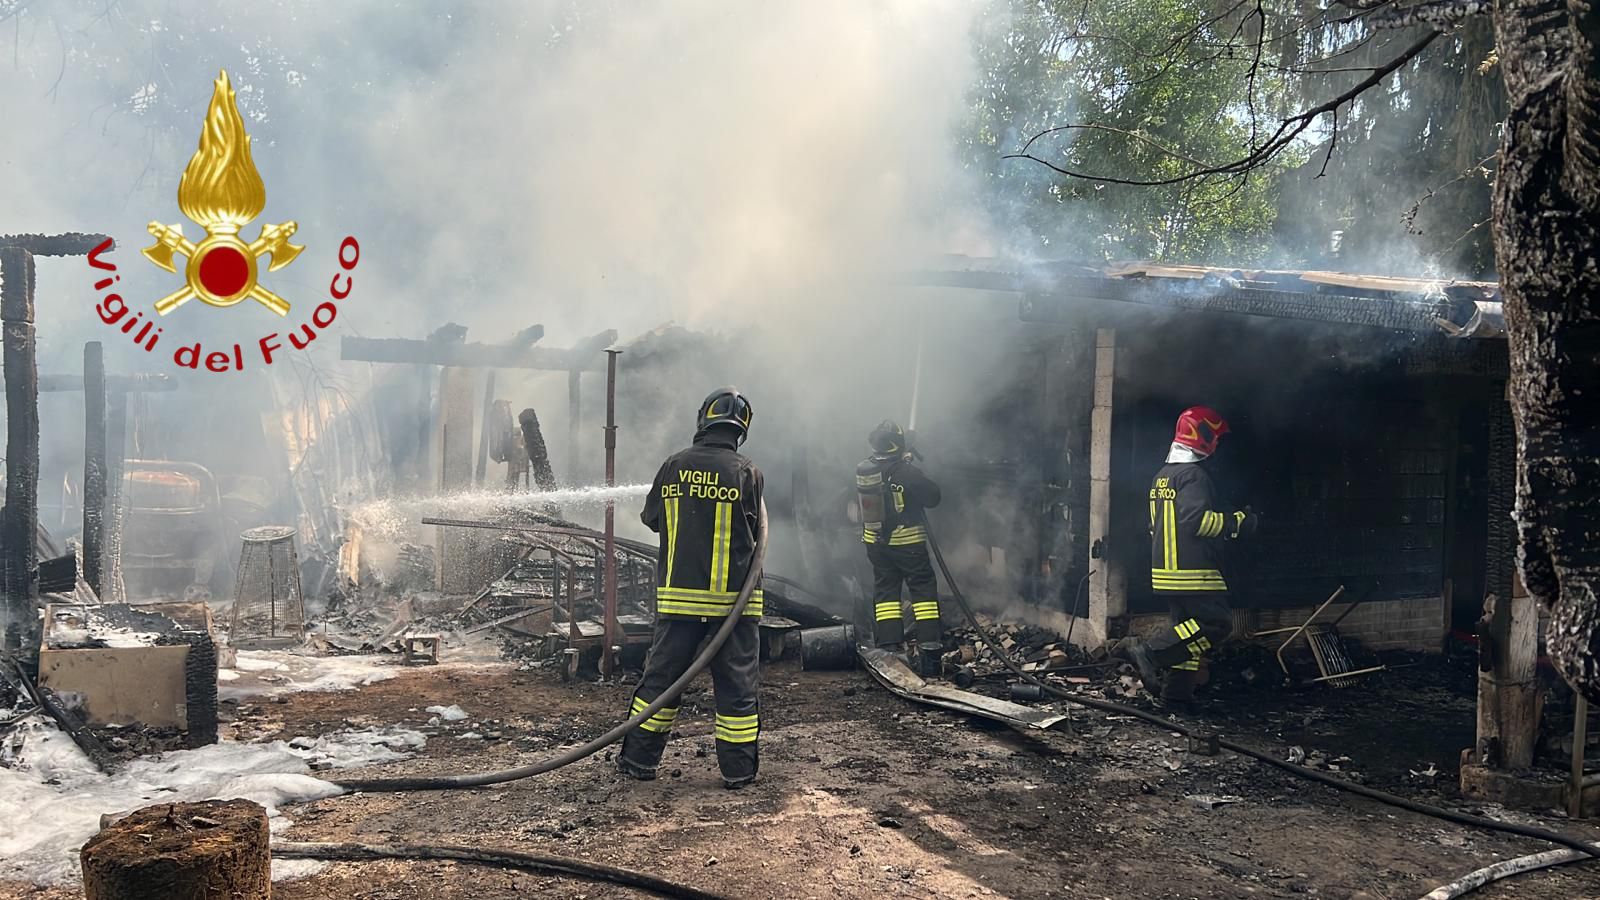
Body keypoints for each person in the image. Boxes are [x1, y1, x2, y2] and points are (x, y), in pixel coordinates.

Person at [618, 387, 766, 789]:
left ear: (704, 419)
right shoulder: (747, 471)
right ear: (742, 428)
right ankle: (738, 771)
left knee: (661, 682)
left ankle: (638, 761)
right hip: (735, 607)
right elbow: (755, 531)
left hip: (679, 602)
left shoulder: (673, 466)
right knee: (736, 690)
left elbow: (652, 517)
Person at [1123, 406, 1257, 707]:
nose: (1218, 445)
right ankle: (1150, 653)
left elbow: (1153, 525)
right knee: (1216, 623)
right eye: (1216, 438)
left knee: (1187, 640)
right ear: (1203, 436)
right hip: (1194, 570)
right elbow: (1197, 522)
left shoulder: (1162, 476)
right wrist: (1238, 522)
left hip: (1165, 572)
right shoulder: (1194, 476)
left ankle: (1176, 697)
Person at [855, 420, 944, 677]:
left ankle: (890, 650)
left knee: (886, 593)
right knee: (923, 590)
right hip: (908, 545)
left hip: (876, 544)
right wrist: (908, 466)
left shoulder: (866, 470)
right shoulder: (906, 472)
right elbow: (934, 497)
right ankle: (929, 652)